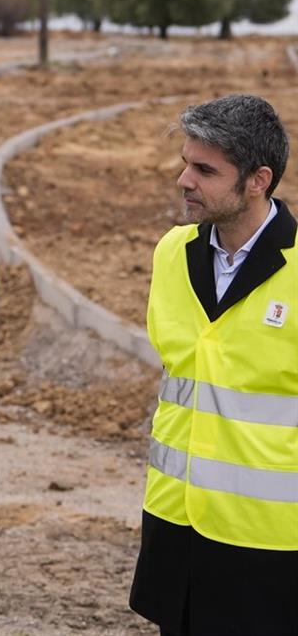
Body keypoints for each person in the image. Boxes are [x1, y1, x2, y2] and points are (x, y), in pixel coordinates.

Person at [129, 94, 297, 636]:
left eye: (205, 170)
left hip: (268, 545)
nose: (184, 180)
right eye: (185, 163)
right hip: (175, 526)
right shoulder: (170, 253)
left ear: (257, 180)